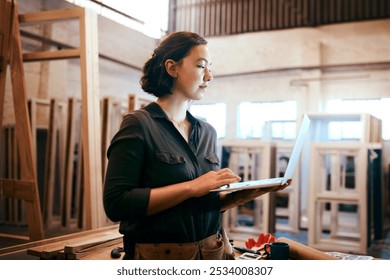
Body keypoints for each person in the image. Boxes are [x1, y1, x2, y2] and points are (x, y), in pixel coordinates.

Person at [103, 31, 289, 260]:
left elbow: (201, 202)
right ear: (172, 68)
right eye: (201, 66)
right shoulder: (139, 125)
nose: (209, 76)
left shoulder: (207, 132)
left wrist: (242, 195)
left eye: (210, 67)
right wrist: (192, 186)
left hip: (211, 253)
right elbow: (116, 204)